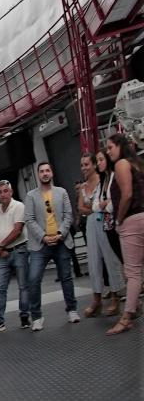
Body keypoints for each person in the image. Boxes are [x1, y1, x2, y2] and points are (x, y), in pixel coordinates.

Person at [22, 162, 79, 331]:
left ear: (52, 173)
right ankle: (37, 317)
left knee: (66, 277)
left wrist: (61, 234)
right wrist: (44, 237)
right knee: (33, 279)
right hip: (41, 245)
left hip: (61, 242)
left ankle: (72, 310)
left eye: (47, 170)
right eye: (42, 171)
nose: (45, 173)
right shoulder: (31, 196)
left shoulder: (62, 192)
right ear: (38, 175)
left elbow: (68, 215)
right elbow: (29, 219)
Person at [78, 153, 125, 319]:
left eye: (86, 164)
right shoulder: (83, 186)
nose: (84, 168)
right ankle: (96, 299)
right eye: (82, 165)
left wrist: (93, 207)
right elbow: (81, 208)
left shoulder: (103, 180)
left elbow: (103, 203)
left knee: (110, 258)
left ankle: (115, 297)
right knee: (93, 261)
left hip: (105, 221)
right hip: (91, 224)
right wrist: (95, 207)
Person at [107, 134, 144, 335]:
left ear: (120, 146)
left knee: (133, 273)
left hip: (131, 221)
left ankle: (126, 316)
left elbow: (127, 194)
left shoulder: (121, 164)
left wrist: (119, 220)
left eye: (110, 146)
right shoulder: (137, 163)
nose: (108, 150)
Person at [0, 180, 30, 332]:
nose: (3, 194)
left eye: (5, 191)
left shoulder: (19, 206)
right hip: (2, 254)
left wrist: (1, 246)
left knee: (23, 286)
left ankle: (25, 317)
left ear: (11, 192)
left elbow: (17, 230)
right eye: (0, 192)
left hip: (19, 250)